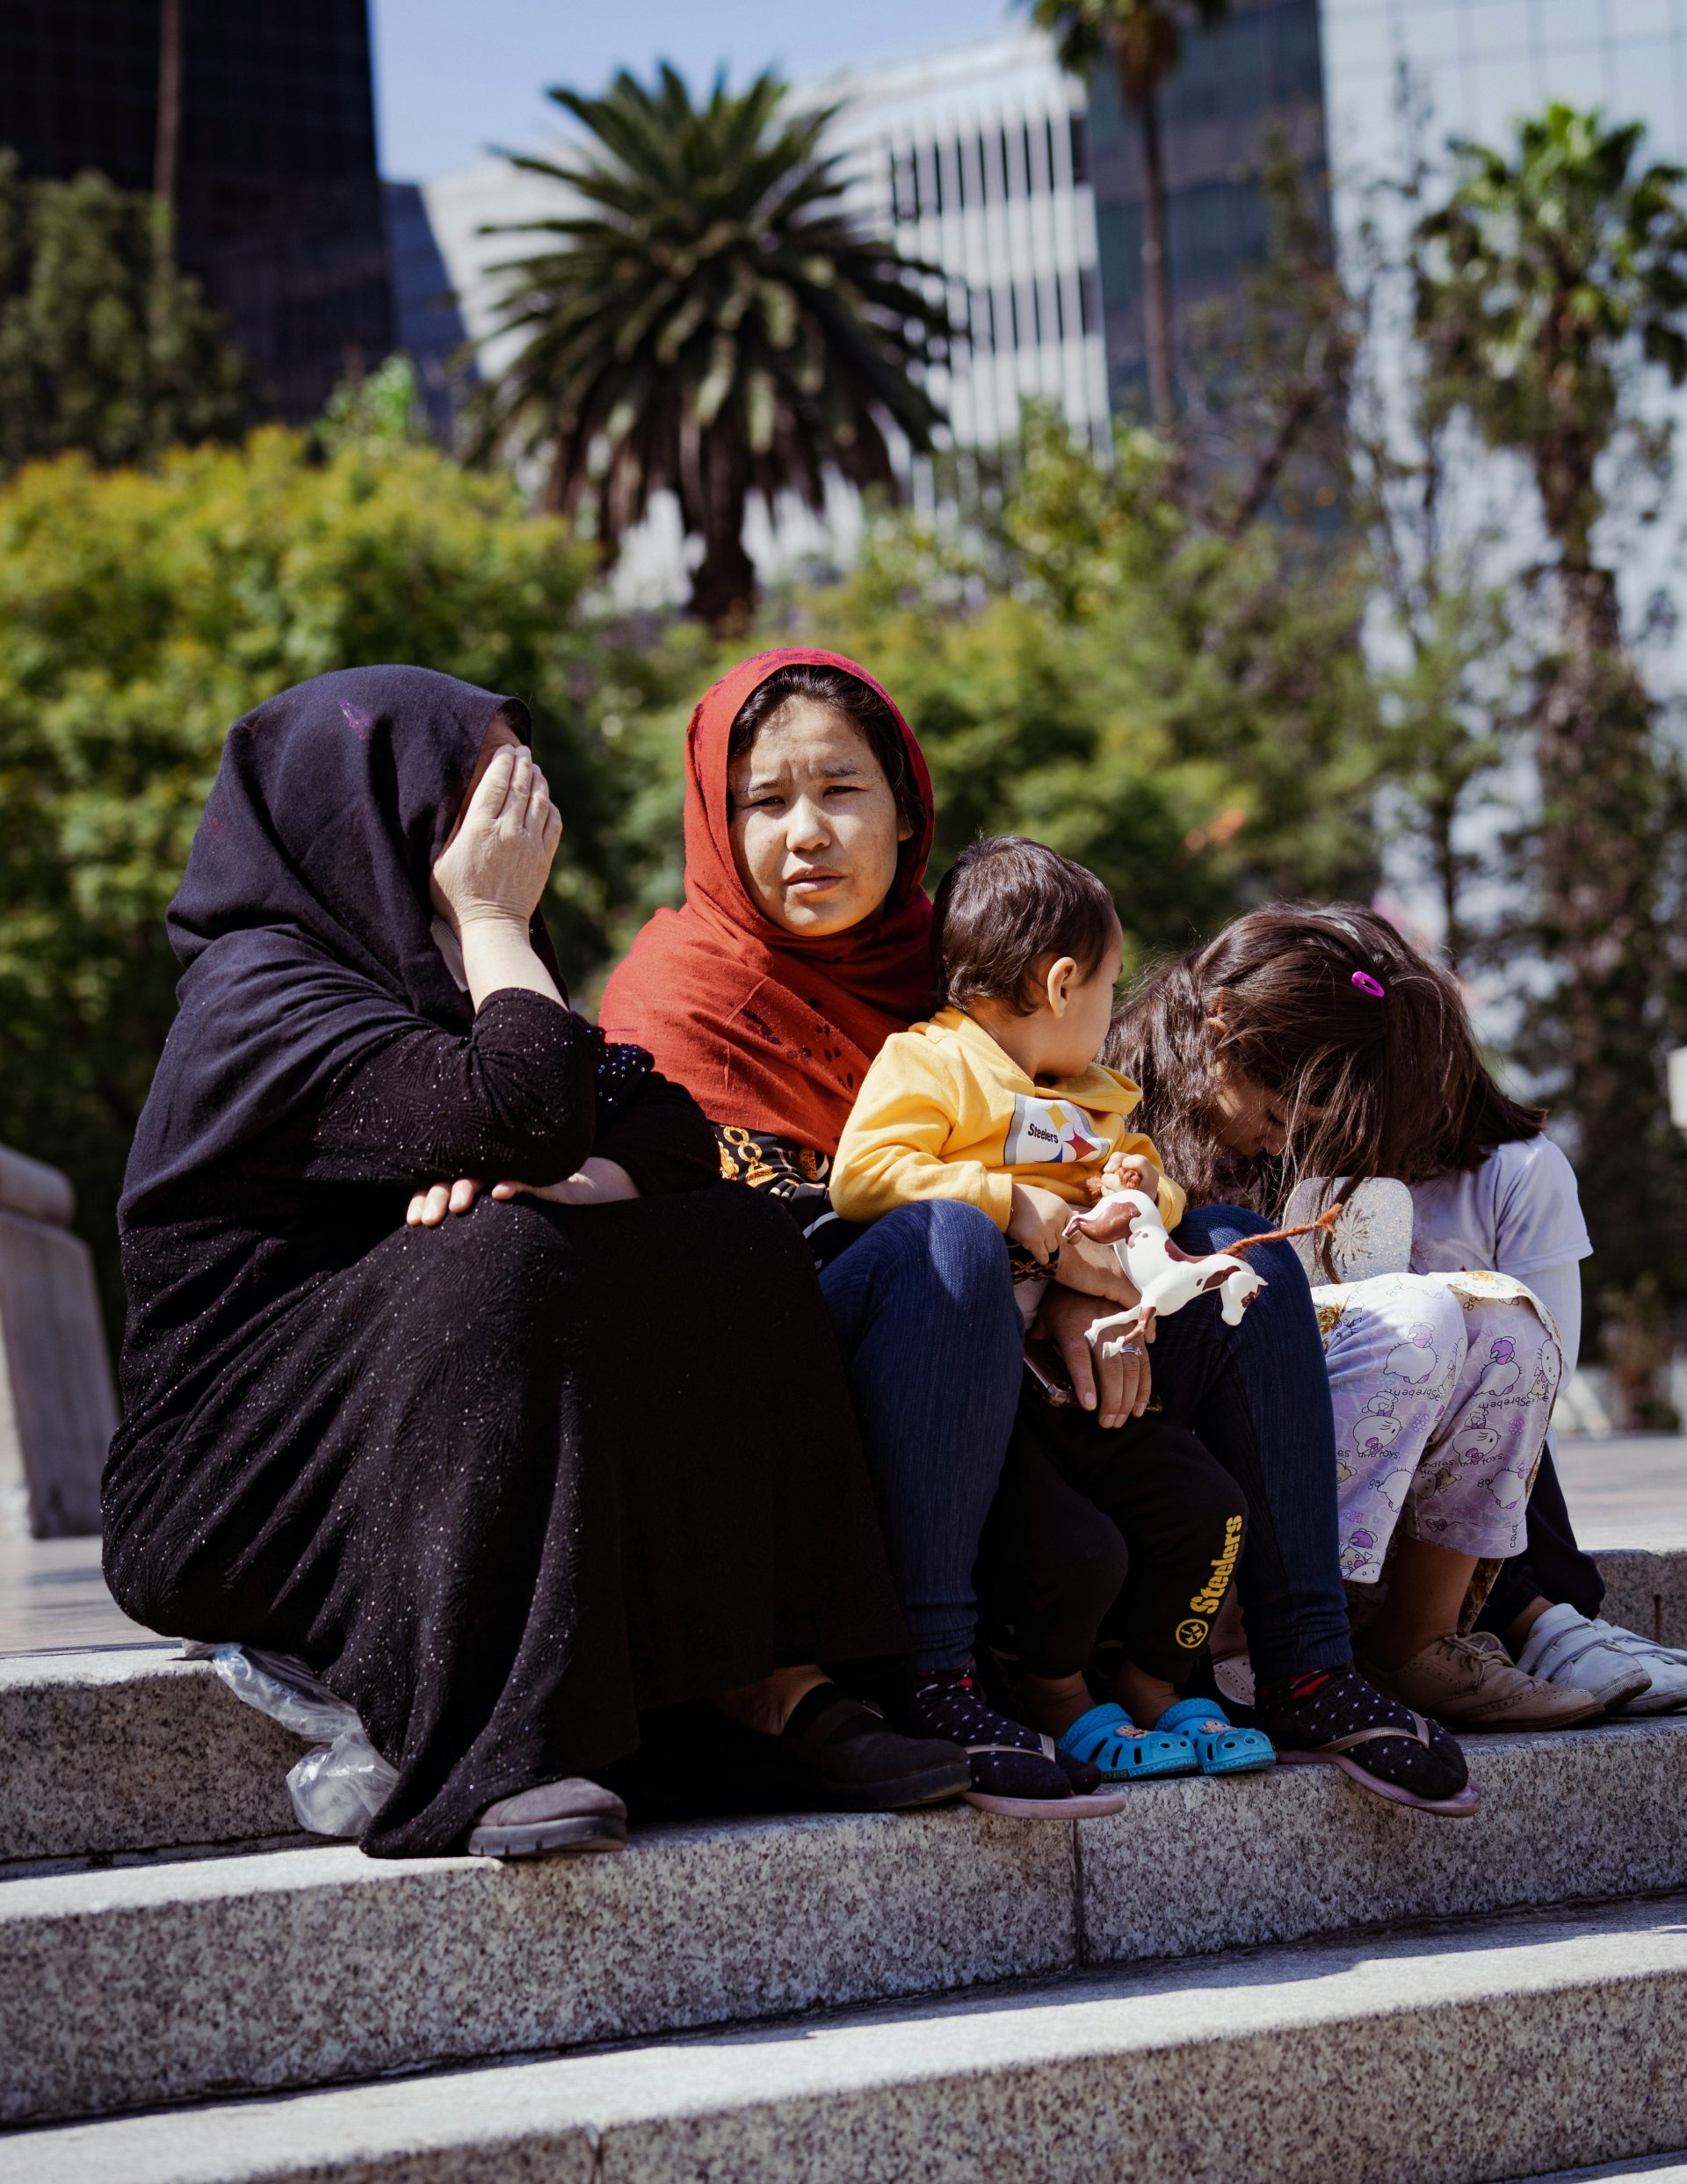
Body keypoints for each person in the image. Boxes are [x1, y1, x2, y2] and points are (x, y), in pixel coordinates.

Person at [103, 664, 969, 1864]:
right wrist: (499, 936)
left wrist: (579, 1172)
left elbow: (654, 1121)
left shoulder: (454, 980)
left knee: (730, 1236)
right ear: (370, 808)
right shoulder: (258, 1000)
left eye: (526, 792)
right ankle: (486, 1749)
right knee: (499, 1255)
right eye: (483, 794)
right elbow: (526, 1103)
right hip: (233, 1483)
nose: (518, 830)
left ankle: (778, 1683)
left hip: (411, 1404)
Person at [602, 649, 1475, 1817]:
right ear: (716, 820)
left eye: (840, 790)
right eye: (765, 800)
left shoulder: (968, 964)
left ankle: (1312, 1661)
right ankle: (936, 1676)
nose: (806, 832)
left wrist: (1089, 1282)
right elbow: (744, 1255)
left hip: (1027, 1372)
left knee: (1223, 1246)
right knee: (942, 1243)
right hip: (829, 1386)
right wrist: (1023, 1245)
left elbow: (1073, 1157)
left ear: (906, 809)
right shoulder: (681, 990)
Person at [1111, 902, 1687, 1724]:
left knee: (1509, 1325)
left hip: (1276, 1438)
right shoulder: (1119, 1110)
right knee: (1417, 1317)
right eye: (1277, 1117)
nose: (1280, 1145)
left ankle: (1416, 1642)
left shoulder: (1282, 1140)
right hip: (1178, 1465)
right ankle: (1260, 1641)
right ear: (1221, 1028)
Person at [830, 835, 1273, 1783]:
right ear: (1064, 980)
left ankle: (1164, 1684)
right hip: (988, 1387)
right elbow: (862, 1174)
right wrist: (1015, 1202)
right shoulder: (934, 1062)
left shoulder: (1097, 1098)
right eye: (1113, 986)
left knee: (1210, 1510)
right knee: (1078, 1555)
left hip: (1086, 1375)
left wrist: (1134, 1197)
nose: (1113, 1009)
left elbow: (1161, 1188)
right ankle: (1062, 1697)